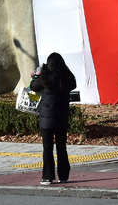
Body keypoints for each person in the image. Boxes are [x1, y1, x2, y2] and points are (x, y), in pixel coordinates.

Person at [30, 52, 76, 185]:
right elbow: (73, 84)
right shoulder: (67, 77)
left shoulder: (45, 78)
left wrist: (37, 74)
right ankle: (63, 176)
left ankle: (47, 177)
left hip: (46, 120)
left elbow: (33, 86)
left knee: (47, 148)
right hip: (62, 118)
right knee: (62, 147)